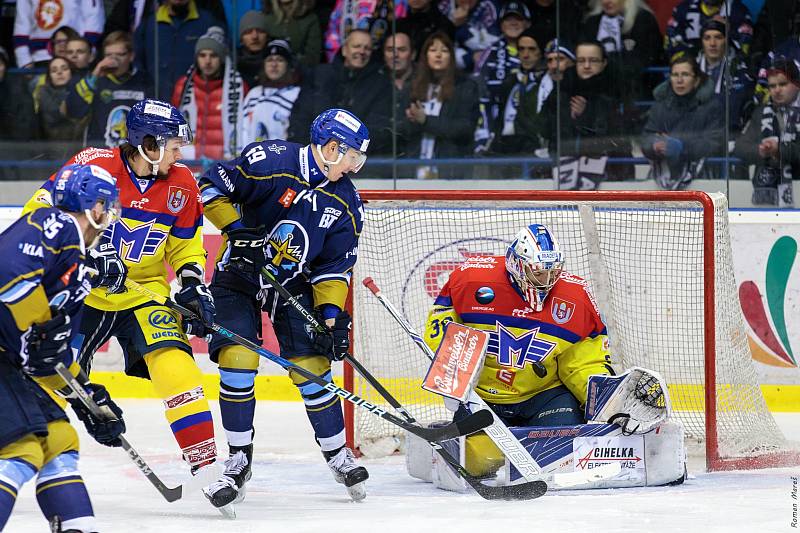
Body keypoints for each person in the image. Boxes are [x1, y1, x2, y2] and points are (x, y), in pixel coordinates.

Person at [21, 99, 229, 513]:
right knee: (50, 376)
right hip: (84, 292)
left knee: (177, 365)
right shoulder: (92, 165)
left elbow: (185, 243)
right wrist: (89, 257)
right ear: (147, 143)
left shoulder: (182, 182)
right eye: (171, 144)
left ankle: (206, 467)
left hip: (143, 292)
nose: (179, 152)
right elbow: (39, 213)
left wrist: (191, 283)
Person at [197, 107, 370, 508]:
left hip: (292, 285)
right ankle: (239, 457)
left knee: (312, 366)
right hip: (238, 274)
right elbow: (210, 186)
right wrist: (238, 233)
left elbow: (332, 267)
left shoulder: (345, 201)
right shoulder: (270, 160)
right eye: (352, 158)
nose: (353, 168)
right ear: (331, 147)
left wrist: (331, 316)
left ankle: (337, 455)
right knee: (238, 359)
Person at [423, 223, 612, 476]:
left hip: (544, 397)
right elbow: (443, 333)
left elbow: (583, 363)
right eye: (538, 273)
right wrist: (453, 377)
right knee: (479, 463)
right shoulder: (471, 279)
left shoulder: (575, 297)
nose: (547, 281)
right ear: (517, 265)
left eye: (552, 272)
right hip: (484, 399)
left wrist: (604, 402)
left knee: (561, 458)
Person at [0, 163, 126, 532]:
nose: (110, 214)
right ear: (95, 207)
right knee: (20, 448)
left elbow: (47, 358)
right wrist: (43, 325)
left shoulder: (78, 267)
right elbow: (7, 273)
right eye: (109, 205)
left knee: (60, 440)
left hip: (8, 364)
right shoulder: (56, 225)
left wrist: (87, 398)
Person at [289, 29, 392, 153]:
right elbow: (300, 117)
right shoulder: (320, 75)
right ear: (344, 50)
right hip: (313, 155)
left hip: (356, 162)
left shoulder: (380, 84)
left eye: (367, 48)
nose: (362, 51)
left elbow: (377, 128)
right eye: (356, 46)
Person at [402, 31, 480, 178]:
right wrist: (410, 121)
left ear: (451, 56)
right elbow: (400, 131)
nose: (438, 55)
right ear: (425, 56)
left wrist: (426, 121)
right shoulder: (412, 87)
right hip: (413, 173)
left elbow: (465, 128)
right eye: (433, 50)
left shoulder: (465, 87)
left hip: (449, 174)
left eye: (444, 50)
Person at [641, 54, 723, 190]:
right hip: (663, 174)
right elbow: (646, 137)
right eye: (674, 75)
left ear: (696, 80)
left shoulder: (711, 106)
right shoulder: (659, 106)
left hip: (702, 178)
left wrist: (682, 147)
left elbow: (714, 143)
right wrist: (654, 145)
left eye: (685, 75)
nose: (679, 80)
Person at [172, 26, 248, 160]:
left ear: (222, 59)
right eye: (202, 55)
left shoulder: (239, 87)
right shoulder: (183, 85)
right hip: (189, 163)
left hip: (225, 164)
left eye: (213, 56)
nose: (207, 61)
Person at [64, 31, 149, 147]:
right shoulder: (94, 80)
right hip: (100, 156)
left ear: (131, 56)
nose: (114, 59)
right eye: (109, 55)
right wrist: (94, 76)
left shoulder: (146, 81)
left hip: (135, 156)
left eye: (120, 54)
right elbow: (74, 111)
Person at [734, 58, 800, 206]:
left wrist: (779, 151)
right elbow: (740, 147)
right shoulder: (761, 112)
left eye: (783, 84)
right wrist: (761, 151)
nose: (776, 90)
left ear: (797, 84)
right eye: (772, 86)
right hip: (766, 197)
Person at [134, 0, 226, 100]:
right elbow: (138, 64)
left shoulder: (208, 22)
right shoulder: (148, 25)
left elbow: (222, 62)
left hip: (194, 103)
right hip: (156, 102)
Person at [473, 1, 531, 154]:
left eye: (517, 19)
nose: (513, 23)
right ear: (501, 25)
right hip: (497, 123)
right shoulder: (490, 51)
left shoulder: (535, 51)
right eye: (508, 19)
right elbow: (479, 90)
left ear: (527, 23)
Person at [580, 0, 663, 104]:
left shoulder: (643, 19)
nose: (607, 1)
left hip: (635, 91)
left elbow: (644, 59)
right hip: (594, 92)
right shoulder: (592, 23)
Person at [239, 39, 301, 146]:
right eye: (269, 60)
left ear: (289, 65)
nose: (274, 64)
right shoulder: (254, 94)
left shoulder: (296, 95)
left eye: (280, 60)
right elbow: (243, 130)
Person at [14, 0, 103, 68]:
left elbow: (93, 18)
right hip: (39, 59)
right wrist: (24, 61)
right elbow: (22, 23)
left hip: (74, 58)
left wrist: (86, 55)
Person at [665, 0, 753, 60]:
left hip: (727, 67)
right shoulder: (683, 9)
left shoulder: (737, 11)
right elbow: (670, 45)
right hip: (690, 68)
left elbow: (745, 51)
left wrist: (728, 30)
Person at [35, 57, 85, 142]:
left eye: (64, 69)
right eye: (54, 71)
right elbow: (54, 115)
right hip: (52, 144)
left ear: (72, 72)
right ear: (49, 76)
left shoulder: (84, 90)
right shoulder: (43, 93)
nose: (59, 72)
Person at [264, 0, 322, 67]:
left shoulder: (310, 19)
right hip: (270, 71)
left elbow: (313, 57)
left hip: (300, 72)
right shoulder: (267, 17)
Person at [236, 10, 271, 88]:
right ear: (241, 38)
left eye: (260, 31)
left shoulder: (277, 63)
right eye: (248, 32)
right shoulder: (232, 65)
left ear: (267, 36)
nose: (255, 36)